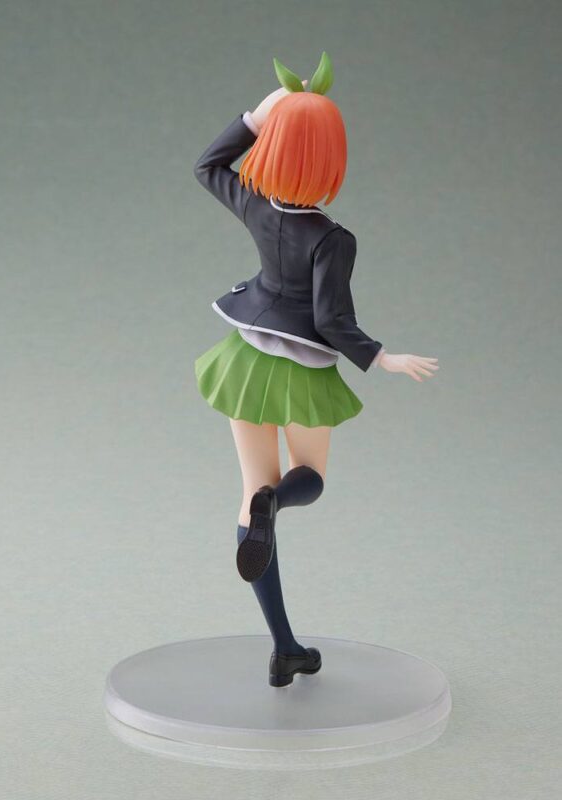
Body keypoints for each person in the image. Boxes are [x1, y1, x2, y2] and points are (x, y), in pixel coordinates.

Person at [193, 53, 439, 687]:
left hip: (247, 357)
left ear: (273, 146)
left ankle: (284, 647)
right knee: (311, 479)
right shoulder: (332, 238)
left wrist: (258, 114)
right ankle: (276, 501)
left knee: (249, 493)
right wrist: (380, 356)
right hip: (301, 367)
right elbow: (331, 319)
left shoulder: (256, 205)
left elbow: (208, 165)